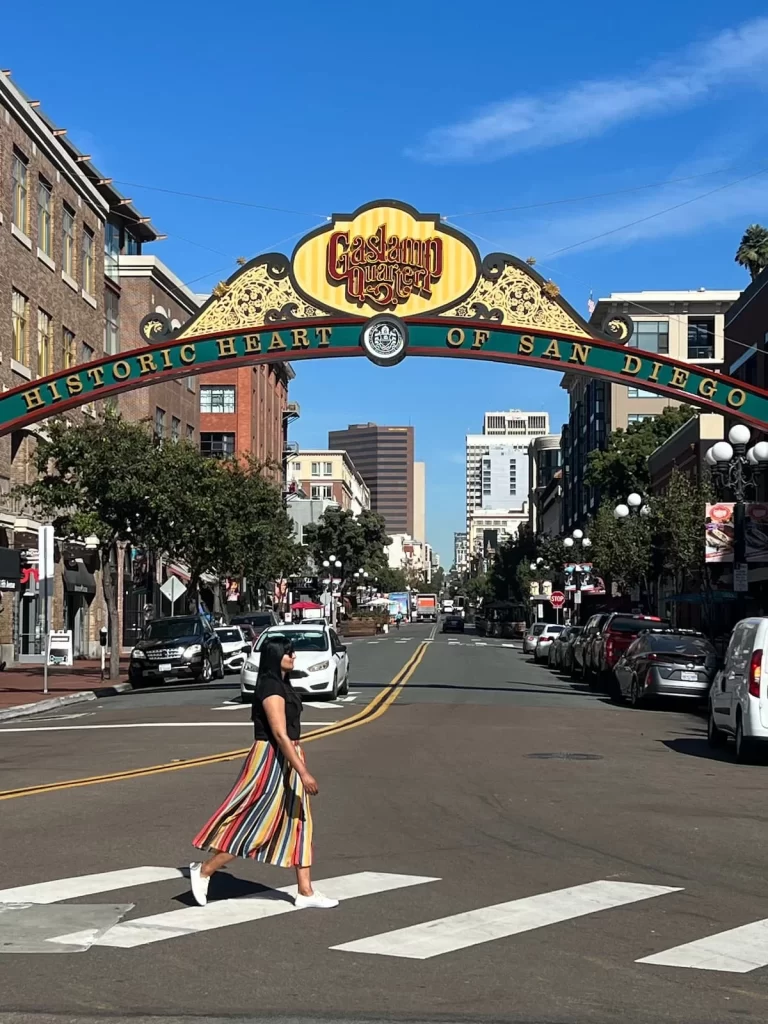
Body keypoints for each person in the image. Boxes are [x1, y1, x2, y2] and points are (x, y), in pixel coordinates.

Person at [189, 637, 338, 910]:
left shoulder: (283, 684)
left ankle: (305, 891)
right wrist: (303, 772)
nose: (293, 656)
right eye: (288, 652)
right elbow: (280, 734)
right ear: (275, 656)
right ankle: (204, 870)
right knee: (257, 824)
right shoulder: (270, 687)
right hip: (271, 759)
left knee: (299, 821)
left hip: (288, 755)